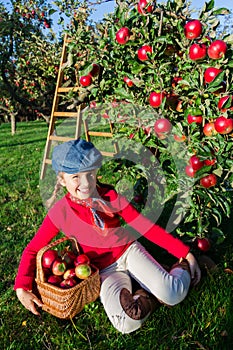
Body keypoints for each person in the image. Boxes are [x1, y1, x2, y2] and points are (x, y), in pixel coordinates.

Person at [14, 138, 201, 334]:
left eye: (90, 174)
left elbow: (146, 227)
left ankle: (182, 269)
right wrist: (22, 287)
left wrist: (185, 253)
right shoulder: (60, 212)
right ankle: (148, 293)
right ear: (62, 179)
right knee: (125, 324)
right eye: (76, 177)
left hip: (128, 252)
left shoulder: (110, 198)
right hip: (104, 271)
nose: (85, 183)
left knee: (173, 294)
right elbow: (33, 249)